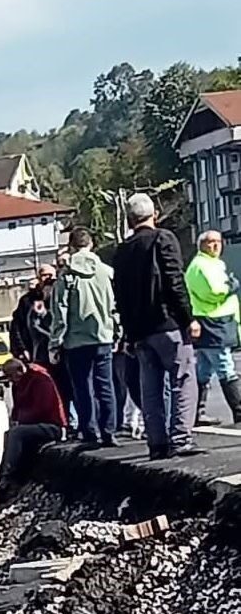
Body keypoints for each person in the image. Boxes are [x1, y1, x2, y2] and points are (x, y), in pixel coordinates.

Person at [112, 193, 201, 459]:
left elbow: (121, 296)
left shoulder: (122, 251)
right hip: (167, 323)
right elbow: (174, 281)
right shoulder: (163, 239)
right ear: (155, 214)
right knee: (182, 379)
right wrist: (188, 318)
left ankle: (157, 443)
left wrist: (128, 333)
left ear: (129, 220)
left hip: (139, 330)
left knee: (150, 388)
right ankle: (181, 438)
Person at [50, 227, 119, 447]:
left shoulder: (67, 275)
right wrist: (117, 331)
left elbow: (60, 311)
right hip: (104, 336)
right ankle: (109, 431)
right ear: (91, 244)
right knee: (105, 386)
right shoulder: (106, 272)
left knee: (83, 387)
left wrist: (55, 342)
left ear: (71, 246)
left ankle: (90, 433)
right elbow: (115, 305)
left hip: (76, 340)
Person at [185, 229, 241, 425]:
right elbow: (213, 292)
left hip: (216, 322)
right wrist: (231, 287)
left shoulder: (213, 263)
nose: (216, 245)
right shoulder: (200, 265)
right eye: (210, 242)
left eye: (218, 241)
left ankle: (197, 413)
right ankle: (238, 410)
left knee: (203, 369)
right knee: (225, 366)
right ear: (201, 245)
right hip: (211, 323)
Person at [0, 358, 67, 495]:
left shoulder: (40, 379)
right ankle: (6, 473)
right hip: (34, 424)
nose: (10, 380)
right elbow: (17, 408)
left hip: (53, 426)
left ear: (20, 371)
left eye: (11, 376)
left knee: (17, 433)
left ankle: (8, 474)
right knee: (10, 432)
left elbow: (42, 408)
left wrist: (21, 421)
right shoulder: (20, 383)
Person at [10, 265, 56, 361]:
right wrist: (21, 349)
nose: (48, 279)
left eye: (50, 275)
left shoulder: (60, 298)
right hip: (36, 352)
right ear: (38, 278)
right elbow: (17, 326)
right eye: (44, 275)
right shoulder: (27, 301)